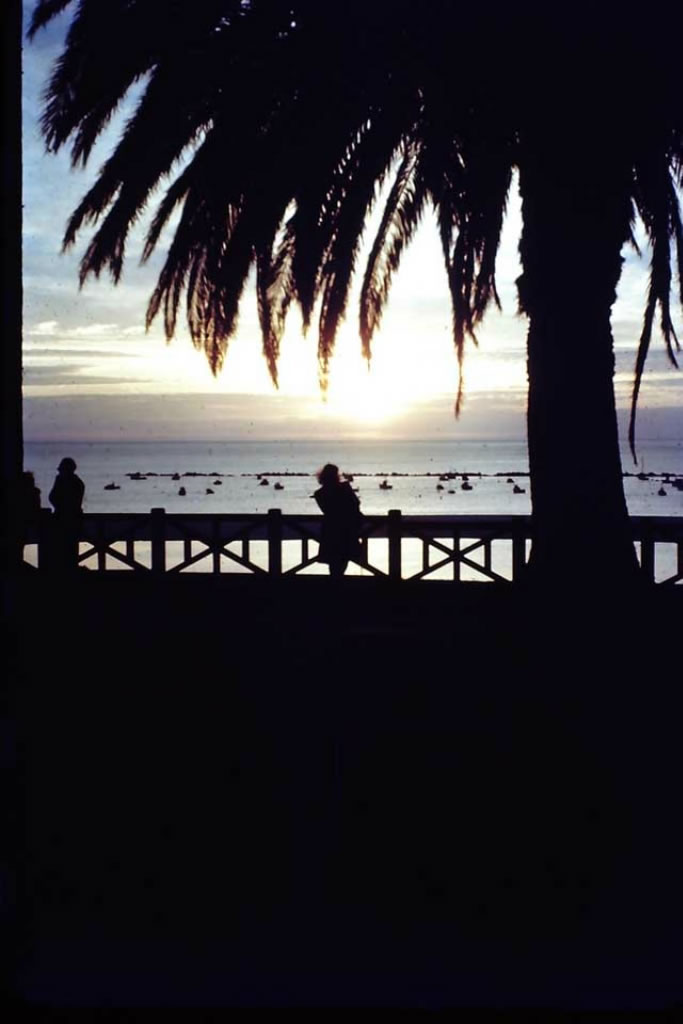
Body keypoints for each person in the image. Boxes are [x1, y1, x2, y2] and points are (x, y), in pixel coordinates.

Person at [313, 463, 362, 578]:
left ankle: (335, 582)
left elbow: (327, 510)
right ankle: (337, 582)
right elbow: (355, 503)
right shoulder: (344, 488)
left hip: (330, 529)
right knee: (343, 558)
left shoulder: (319, 494)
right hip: (346, 528)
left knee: (334, 561)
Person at [49, 457, 85, 571]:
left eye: (61, 470)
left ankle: (65, 571)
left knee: (63, 549)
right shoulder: (78, 483)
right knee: (70, 549)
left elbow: (52, 497)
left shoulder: (63, 481)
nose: (59, 472)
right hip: (74, 520)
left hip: (64, 520)